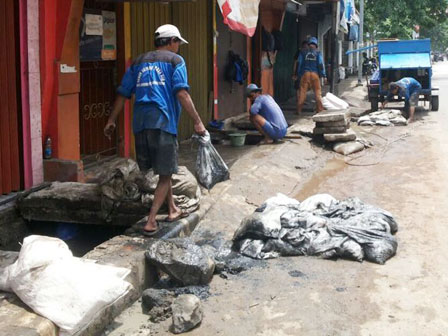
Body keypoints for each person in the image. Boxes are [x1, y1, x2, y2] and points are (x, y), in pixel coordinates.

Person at [104, 24, 206, 235]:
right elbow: (182, 94)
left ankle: (172, 209)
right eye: (178, 42)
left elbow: (123, 93)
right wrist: (197, 121)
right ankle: (151, 221)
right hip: (163, 122)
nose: (179, 46)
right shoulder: (176, 61)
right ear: (171, 42)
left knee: (162, 171)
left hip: (140, 124)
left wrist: (111, 120)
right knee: (166, 173)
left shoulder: (138, 62)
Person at [296, 37, 327, 115]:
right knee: (317, 92)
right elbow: (320, 64)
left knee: (302, 92)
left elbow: (299, 63)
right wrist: (323, 75)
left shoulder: (302, 52)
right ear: (316, 45)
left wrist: (298, 74)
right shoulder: (318, 53)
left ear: (309, 44)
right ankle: (320, 110)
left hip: (305, 74)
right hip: (314, 74)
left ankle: (299, 110)